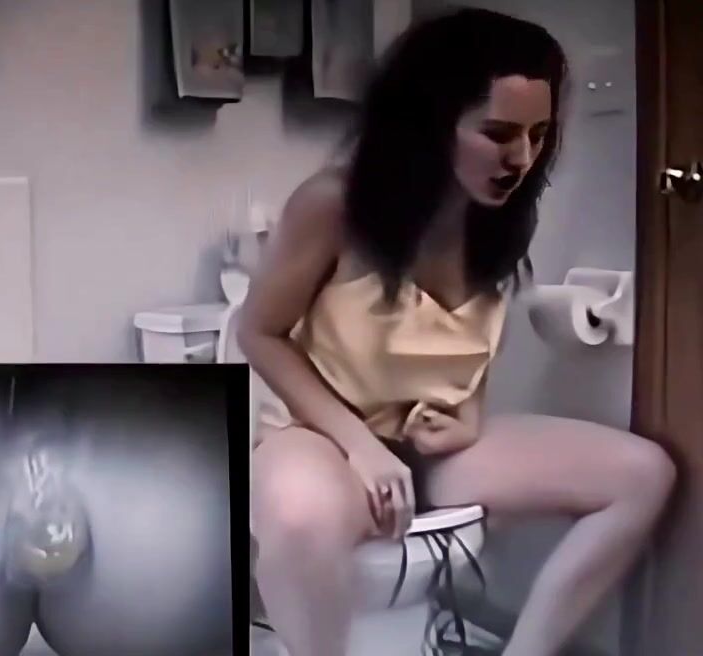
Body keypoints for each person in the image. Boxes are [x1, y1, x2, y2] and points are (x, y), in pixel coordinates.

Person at [239, 8, 676, 656]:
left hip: (430, 446)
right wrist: (360, 447)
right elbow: (258, 333)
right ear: (431, 123)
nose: (521, 158)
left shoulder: (502, 217)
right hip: (322, 438)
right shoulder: (334, 204)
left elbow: (469, 344)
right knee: (302, 520)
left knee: (643, 474)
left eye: (539, 134)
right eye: (497, 133)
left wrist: (469, 415)